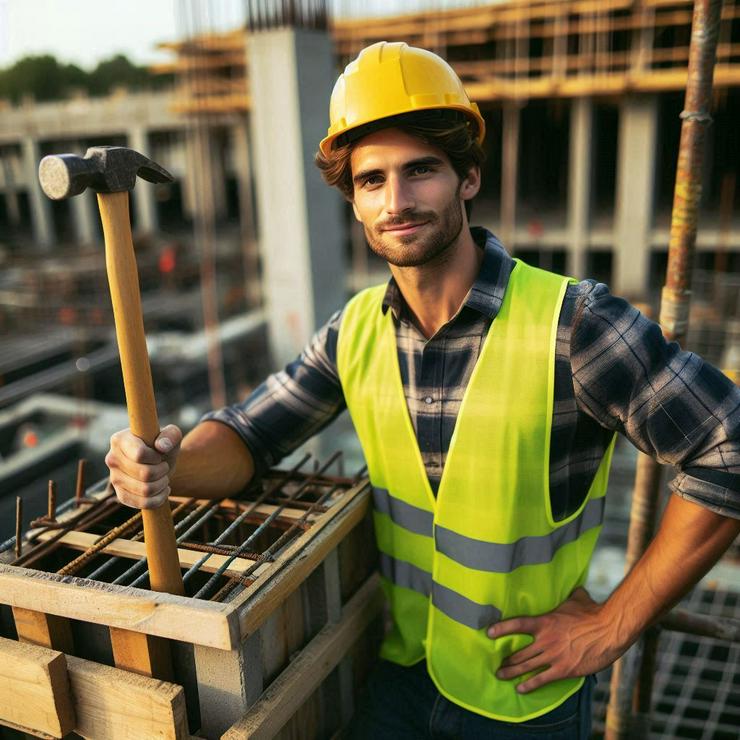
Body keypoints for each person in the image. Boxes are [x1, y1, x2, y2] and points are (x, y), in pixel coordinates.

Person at [106, 42, 740, 738]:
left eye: (420, 171)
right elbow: (249, 435)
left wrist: (614, 625)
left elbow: (727, 446)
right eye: (372, 181)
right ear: (353, 203)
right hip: (404, 676)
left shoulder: (575, 325)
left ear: (468, 177)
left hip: (525, 695)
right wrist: (169, 465)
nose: (397, 201)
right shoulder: (355, 333)